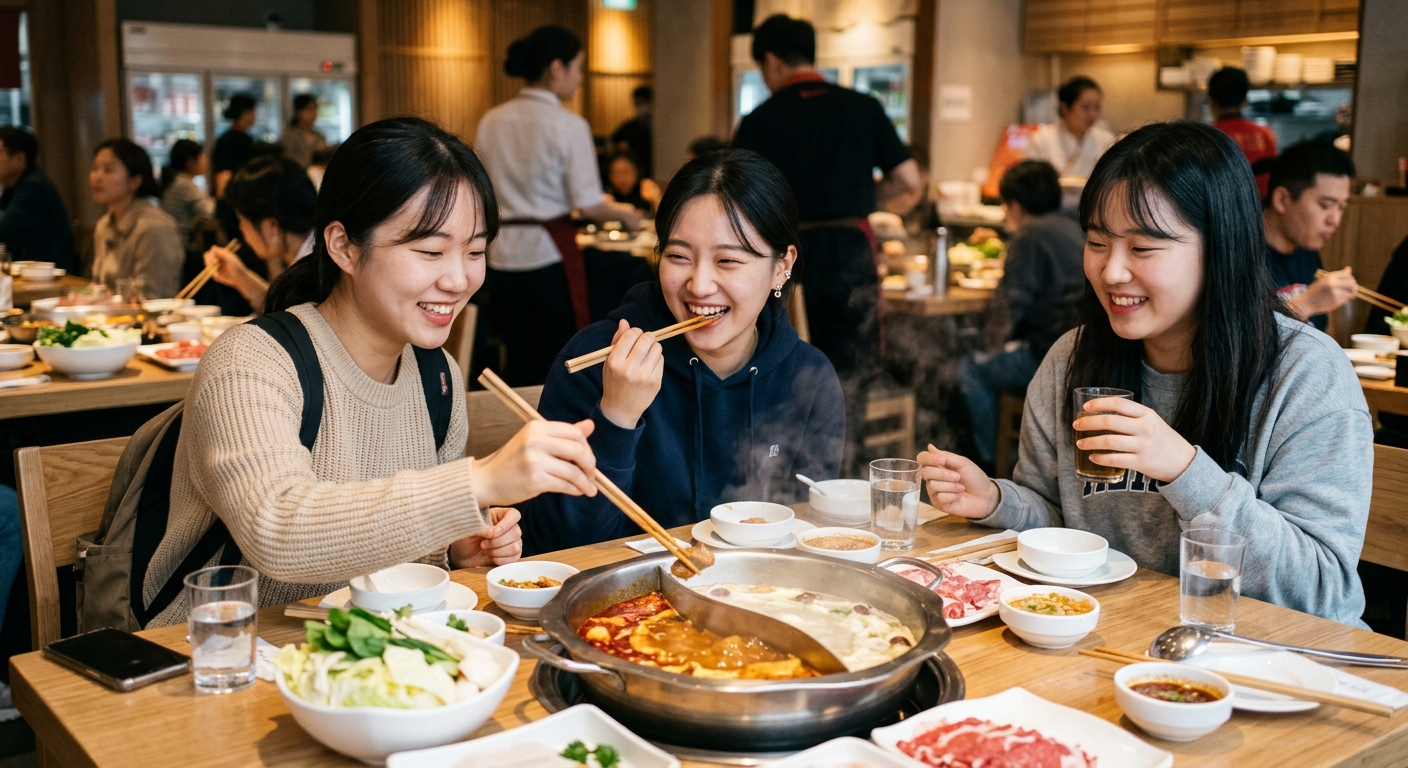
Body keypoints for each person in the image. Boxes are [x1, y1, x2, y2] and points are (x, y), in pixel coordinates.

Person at [146, 117, 601, 626]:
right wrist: (477, 482)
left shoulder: (438, 378)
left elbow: (397, 558)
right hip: (218, 651)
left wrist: (455, 548)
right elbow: (277, 531)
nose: (458, 279)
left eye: (475, 251)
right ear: (343, 246)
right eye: (430, 251)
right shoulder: (251, 360)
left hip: (364, 650)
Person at [918, 121, 1372, 626]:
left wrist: (1184, 469)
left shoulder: (1308, 374)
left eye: (1142, 248)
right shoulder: (1072, 359)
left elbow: (1321, 590)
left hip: (1275, 652)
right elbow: (1059, 517)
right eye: (1097, 242)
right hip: (1124, 634)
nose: (1111, 272)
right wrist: (997, 501)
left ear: (1221, 249)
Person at [522, 149, 844, 554]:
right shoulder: (597, 359)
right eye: (678, 257)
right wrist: (617, 416)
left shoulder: (808, 377)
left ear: (782, 266)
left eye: (727, 260)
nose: (699, 285)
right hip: (625, 593)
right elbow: (555, 548)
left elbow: (813, 540)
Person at [732, 13, 922, 459]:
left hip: (785, 259)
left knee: (783, 360)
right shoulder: (862, 106)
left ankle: (787, 465)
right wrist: (862, 199)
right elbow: (910, 182)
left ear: (772, 62)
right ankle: (849, 464)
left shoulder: (760, 118)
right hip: (851, 250)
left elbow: (735, 201)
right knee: (854, 365)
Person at [475, 25, 643, 386]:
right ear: (556, 68)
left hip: (499, 254)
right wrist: (626, 216)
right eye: (578, 68)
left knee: (516, 356)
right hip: (548, 253)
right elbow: (589, 204)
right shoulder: (569, 125)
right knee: (557, 356)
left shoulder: (491, 121)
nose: (580, 79)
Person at [958, 160, 1085, 469]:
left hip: (1047, 357)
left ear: (1014, 205)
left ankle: (992, 463)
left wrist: (986, 347)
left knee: (969, 368)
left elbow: (1008, 306)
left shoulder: (1030, 234)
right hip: (1078, 353)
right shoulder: (1073, 227)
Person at [201, 155, 317, 311]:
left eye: (242, 220)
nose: (241, 229)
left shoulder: (313, 273)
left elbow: (291, 319)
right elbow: (286, 312)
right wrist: (240, 277)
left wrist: (241, 277)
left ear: (271, 226)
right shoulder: (312, 254)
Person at [1263, 141, 1357, 332]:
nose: (1335, 220)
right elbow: (1236, 338)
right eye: (1325, 205)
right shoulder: (1238, 253)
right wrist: (1307, 303)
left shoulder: (1307, 253)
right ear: (1282, 199)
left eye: (1341, 207)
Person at [90, 139, 184, 299]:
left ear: (135, 181)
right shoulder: (104, 225)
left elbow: (154, 298)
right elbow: (99, 286)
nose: (97, 177)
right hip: (110, 313)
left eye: (108, 170)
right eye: (94, 168)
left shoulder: (154, 228)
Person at [0, 127, 74, 271]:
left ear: (19, 159)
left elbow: (4, 230)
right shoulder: (12, 187)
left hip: (49, 274)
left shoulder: (35, 186)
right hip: (28, 270)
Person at [1024, 76, 1114, 181]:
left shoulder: (1106, 140)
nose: (1092, 114)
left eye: (1096, 107)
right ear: (1064, 108)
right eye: (1085, 107)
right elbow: (1030, 181)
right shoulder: (1041, 140)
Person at [1208, 67, 1277, 198]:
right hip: (1261, 206)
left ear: (1211, 101)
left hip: (1223, 206)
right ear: (1245, 101)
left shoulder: (1206, 138)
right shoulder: (1264, 134)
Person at [160, 138, 216, 251]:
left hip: (172, 242)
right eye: (202, 157)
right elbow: (209, 212)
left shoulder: (175, 180)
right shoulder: (183, 185)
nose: (206, 161)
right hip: (182, 245)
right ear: (190, 162)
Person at [212, 94, 258, 198]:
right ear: (245, 113)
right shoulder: (238, 140)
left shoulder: (226, 138)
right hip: (236, 194)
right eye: (254, 111)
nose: (255, 116)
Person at [610, 85, 653, 178]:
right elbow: (612, 142)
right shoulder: (630, 127)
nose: (639, 107)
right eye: (637, 104)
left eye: (642, 103)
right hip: (635, 174)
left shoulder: (659, 128)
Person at [604, 150, 661, 216]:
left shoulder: (645, 191)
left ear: (637, 171)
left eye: (626, 172)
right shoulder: (607, 196)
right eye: (616, 173)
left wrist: (656, 200)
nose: (621, 179)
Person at [280, 94, 329, 169]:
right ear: (299, 112)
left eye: (315, 109)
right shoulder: (290, 135)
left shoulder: (319, 136)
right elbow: (289, 159)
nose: (314, 113)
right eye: (309, 109)